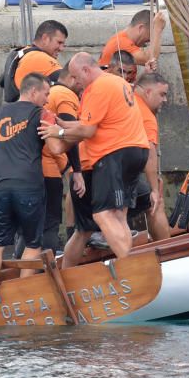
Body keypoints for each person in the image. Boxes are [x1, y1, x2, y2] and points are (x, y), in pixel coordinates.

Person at [41, 53, 150, 264]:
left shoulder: (96, 88)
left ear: (85, 70)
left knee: (102, 215)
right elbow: (90, 123)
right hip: (135, 150)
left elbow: (88, 130)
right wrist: (62, 126)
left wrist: (59, 133)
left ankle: (131, 265)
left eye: (75, 76)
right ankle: (128, 263)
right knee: (117, 216)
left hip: (113, 154)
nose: (75, 82)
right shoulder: (118, 82)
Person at [0, 73, 66, 297]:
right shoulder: (42, 114)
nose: (47, 99)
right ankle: (24, 292)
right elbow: (56, 149)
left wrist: (9, 149)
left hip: (0, 185)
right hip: (29, 186)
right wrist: (68, 134)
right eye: (46, 94)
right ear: (33, 91)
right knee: (33, 242)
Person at [29, 67, 86, 255]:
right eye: (45, 94)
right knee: (50, 224)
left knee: (29, 227)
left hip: (21, 175)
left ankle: (22, 271)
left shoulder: (7, 112)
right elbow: (68, 137)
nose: (47, 99)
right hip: (48, 170)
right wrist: (77, 170)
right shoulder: (64, 95)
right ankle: (46, 270)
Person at [134, 71, 172, 241]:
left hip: (93, 166)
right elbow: (150, 155)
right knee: (155, 203)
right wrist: (155, 189)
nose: (165, 100)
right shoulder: (147, 117)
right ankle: (168, 251)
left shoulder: (126, 95)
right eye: (162, 94)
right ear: (148, 92)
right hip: (116, 171)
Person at [99, 8, 166, 68]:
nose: (150, 41)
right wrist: (157, 30)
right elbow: (150, 59)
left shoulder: (124, 40)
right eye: (151, 35)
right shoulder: (121, 42)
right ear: (140, 28)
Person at [13, 19, 68, 89]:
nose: (61, 49)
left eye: (63, 45)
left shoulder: (22, 52)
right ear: (45, 38)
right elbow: (68, 82)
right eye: (59, 42)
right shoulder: (40, 58)